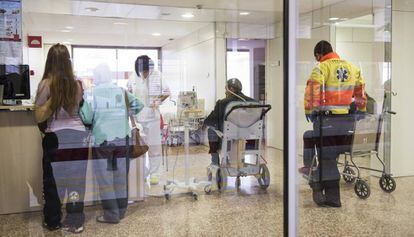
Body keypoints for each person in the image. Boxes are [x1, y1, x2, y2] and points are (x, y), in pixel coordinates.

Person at [299, 40, 367, 207]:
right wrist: (361, 110)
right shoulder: (352, 68)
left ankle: (330, 195)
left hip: (327, 121)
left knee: (327, 156)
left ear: (318, 55)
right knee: (326, 153)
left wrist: (310, 111)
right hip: (347, 123)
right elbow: (361, 92)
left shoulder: (321, 68)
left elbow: (313, 92)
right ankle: (316, 179)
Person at [34, 43, 88, 233]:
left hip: (56, 137)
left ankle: (53, 220)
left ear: (50, 61)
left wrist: (52, 100)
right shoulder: (78, 83)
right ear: (68, 61)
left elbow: (38, 116)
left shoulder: (46, 84)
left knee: (52, 182)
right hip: (78, 136)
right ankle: (75, 221)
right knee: (76, 181)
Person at [80, 63, 143, 224]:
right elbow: (139, 105)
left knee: (105, 179)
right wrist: (124, 111)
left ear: (97, 77)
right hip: (124, 139)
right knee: (121, 177)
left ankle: (111, 215)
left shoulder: (91, 93)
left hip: (103, 141)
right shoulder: (121, 91)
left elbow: (86, 118)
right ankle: (121, 212)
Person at [127, 55, 169, 185]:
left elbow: (167, 92)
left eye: (146, 71)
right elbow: (128, 95)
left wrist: (158, 101)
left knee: (154, 147)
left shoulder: (157, 75)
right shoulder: (133, 77)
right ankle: (143, 173)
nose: (144, 74)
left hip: (153, 118)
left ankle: (155, 174)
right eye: (141, 71)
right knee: (139, 147)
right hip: (138, 119)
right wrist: (132, 121)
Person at [204, 78, 255, 166]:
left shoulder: (222, 103)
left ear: (231, 89)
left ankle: (215, 162)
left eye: (225, 89)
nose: (225, 92)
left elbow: (211, 120)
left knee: (211, 130)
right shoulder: (253, 102)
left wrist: (205, 122)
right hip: (248, 138)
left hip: (228, 138)